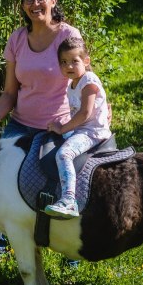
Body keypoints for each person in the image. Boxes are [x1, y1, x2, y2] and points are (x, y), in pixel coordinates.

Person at [0, 0, 83, 256]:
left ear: (53, 1)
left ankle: (68, 251)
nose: (35, 3)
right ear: (22, 5)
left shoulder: (68, 36)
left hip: (58, 127)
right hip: (21, 124)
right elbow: (9, 92)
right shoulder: (17, 39)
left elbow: (81, 82)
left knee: (61, 181)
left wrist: (89, 113)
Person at [44, 37, 111, 218]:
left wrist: (62, 128)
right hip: (82, 130)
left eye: (75, 61)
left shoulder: (88, 80)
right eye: (64, 62)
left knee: (64, 153)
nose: (69, 66)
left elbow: (85, 113)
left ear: (86, 61)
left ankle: (69, 200)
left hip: (92, 132)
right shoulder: (71, 84)